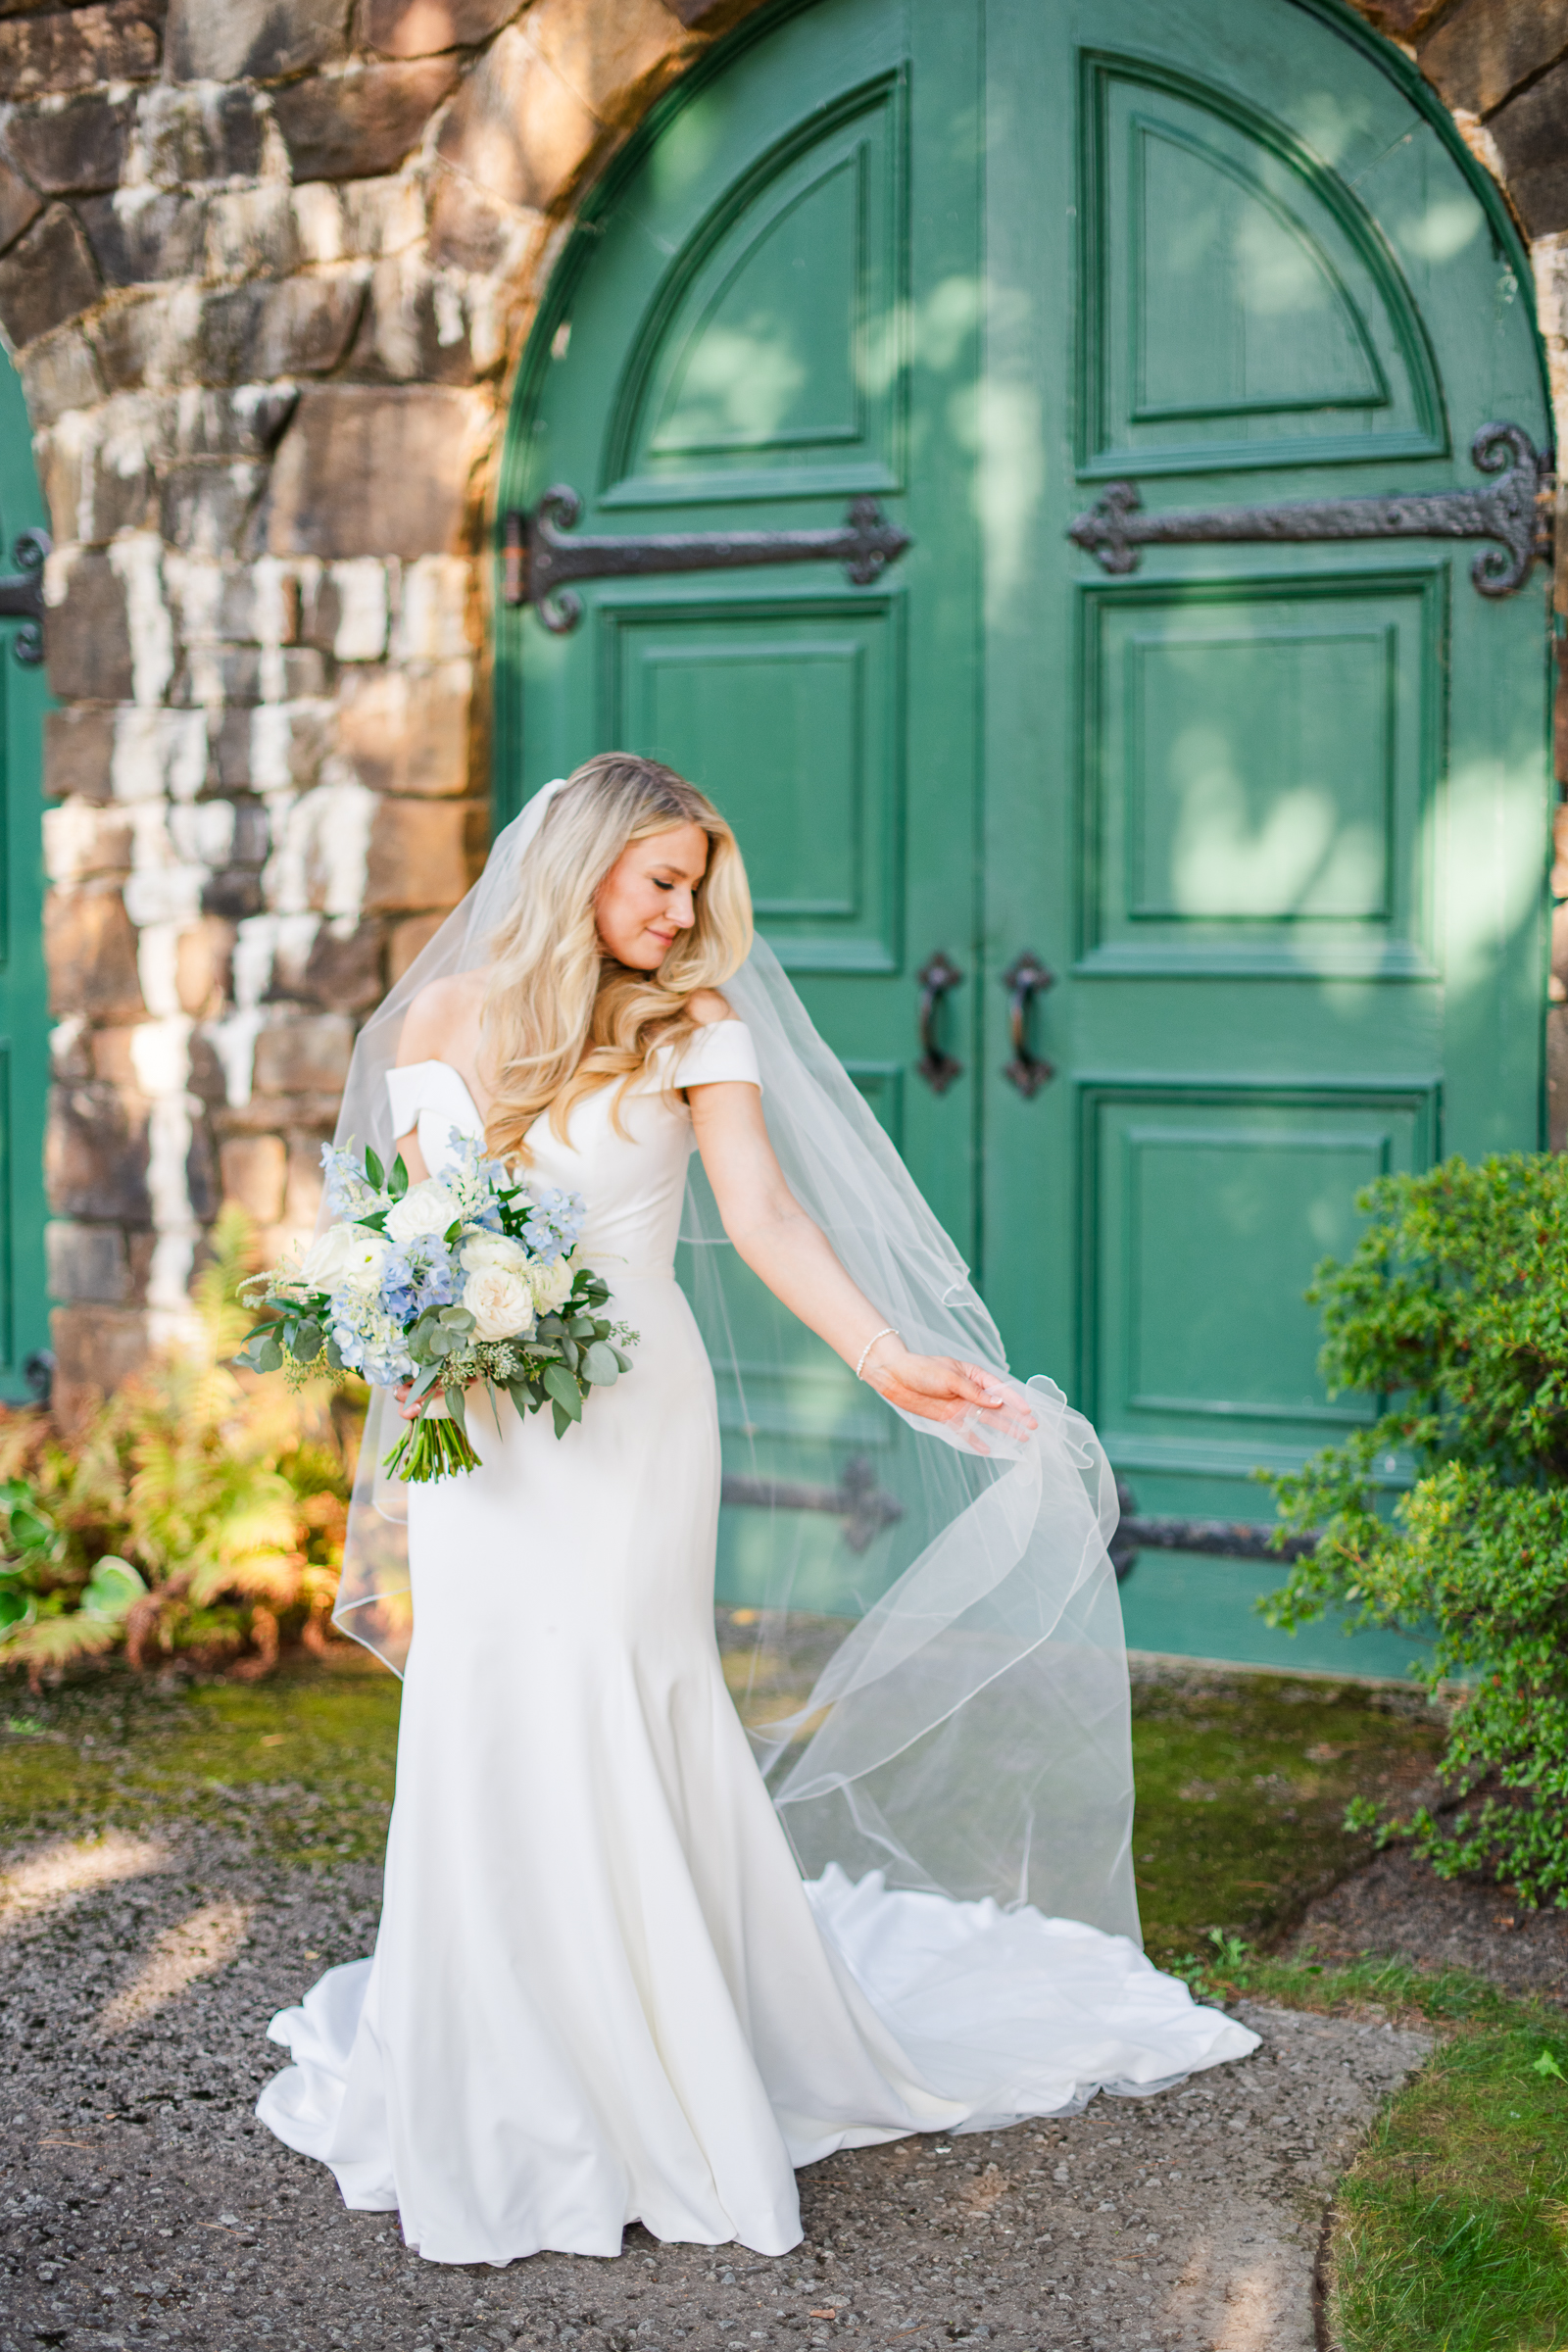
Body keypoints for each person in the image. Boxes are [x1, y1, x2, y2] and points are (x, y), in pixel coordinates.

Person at [256, 755, 1256, 2266]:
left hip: (633, 1417)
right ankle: (506, 2060)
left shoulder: (693, 1027)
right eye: (664, 880)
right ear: (579, 867)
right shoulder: (448, 1020)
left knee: (620, 1688)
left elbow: (769, 1217)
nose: (688, 912)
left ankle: (668, 2064)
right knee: (489, 1704)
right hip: (488, 1430)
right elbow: (423, 1235)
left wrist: (888, 1357)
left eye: (700, 885)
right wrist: (419, 1394)